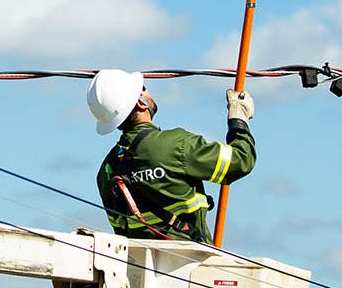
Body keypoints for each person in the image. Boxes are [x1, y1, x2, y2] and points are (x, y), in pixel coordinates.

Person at [85, 69, 256, 243]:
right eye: (142, 88)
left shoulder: (106, 172)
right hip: (189, 263)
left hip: (138, 267)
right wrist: (239, 119)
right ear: (140, 104)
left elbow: (121, 234)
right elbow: (241, 160)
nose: (147, 91)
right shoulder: (175, 145)